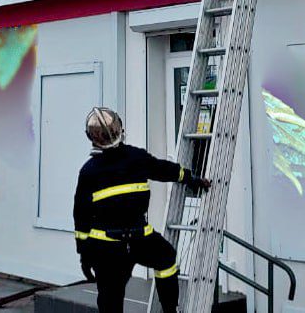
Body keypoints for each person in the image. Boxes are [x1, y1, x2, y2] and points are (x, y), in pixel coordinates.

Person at [74, 107, 210, 313]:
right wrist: (191, 178)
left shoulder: (88, 171)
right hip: (139, 239)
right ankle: (170, 309)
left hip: (107, 249)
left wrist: (84, 255)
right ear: (120, 129)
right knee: (166, 258)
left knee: (111, 300)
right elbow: (164, 169)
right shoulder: (135, 157)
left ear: (91, 138)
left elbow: (81, 217)